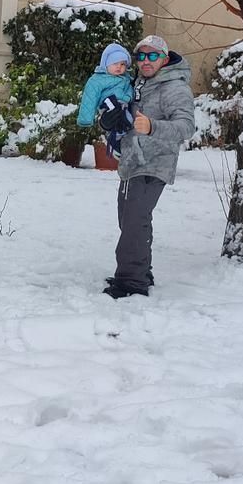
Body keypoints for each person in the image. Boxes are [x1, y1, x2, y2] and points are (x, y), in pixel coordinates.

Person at [103, 35, 195, 299]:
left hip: (154, 163)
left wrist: (153, 126)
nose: (145, 60)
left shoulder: (174, 88)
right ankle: (142, 270)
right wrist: (109, 121)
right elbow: (123, 117)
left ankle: (132, 283)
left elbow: (186, 126)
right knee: (129, 218)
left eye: (152, 55)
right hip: (133, 161)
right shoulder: (138, 84)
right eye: (141, 56)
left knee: (134, 220)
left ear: (164, 59)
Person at [76, 43, 135, 160]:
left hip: (122, 104)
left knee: (128, 121)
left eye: (123, 64)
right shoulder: (98, 79)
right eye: (115, 64)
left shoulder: (126, 78)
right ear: (106, 64)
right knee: (124, 121)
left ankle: (119, 142)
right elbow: (89, 97)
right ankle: (116, 142)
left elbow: (131, 90)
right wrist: (86, 119)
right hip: (108, 103)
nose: (119, 67)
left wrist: (129, 97)